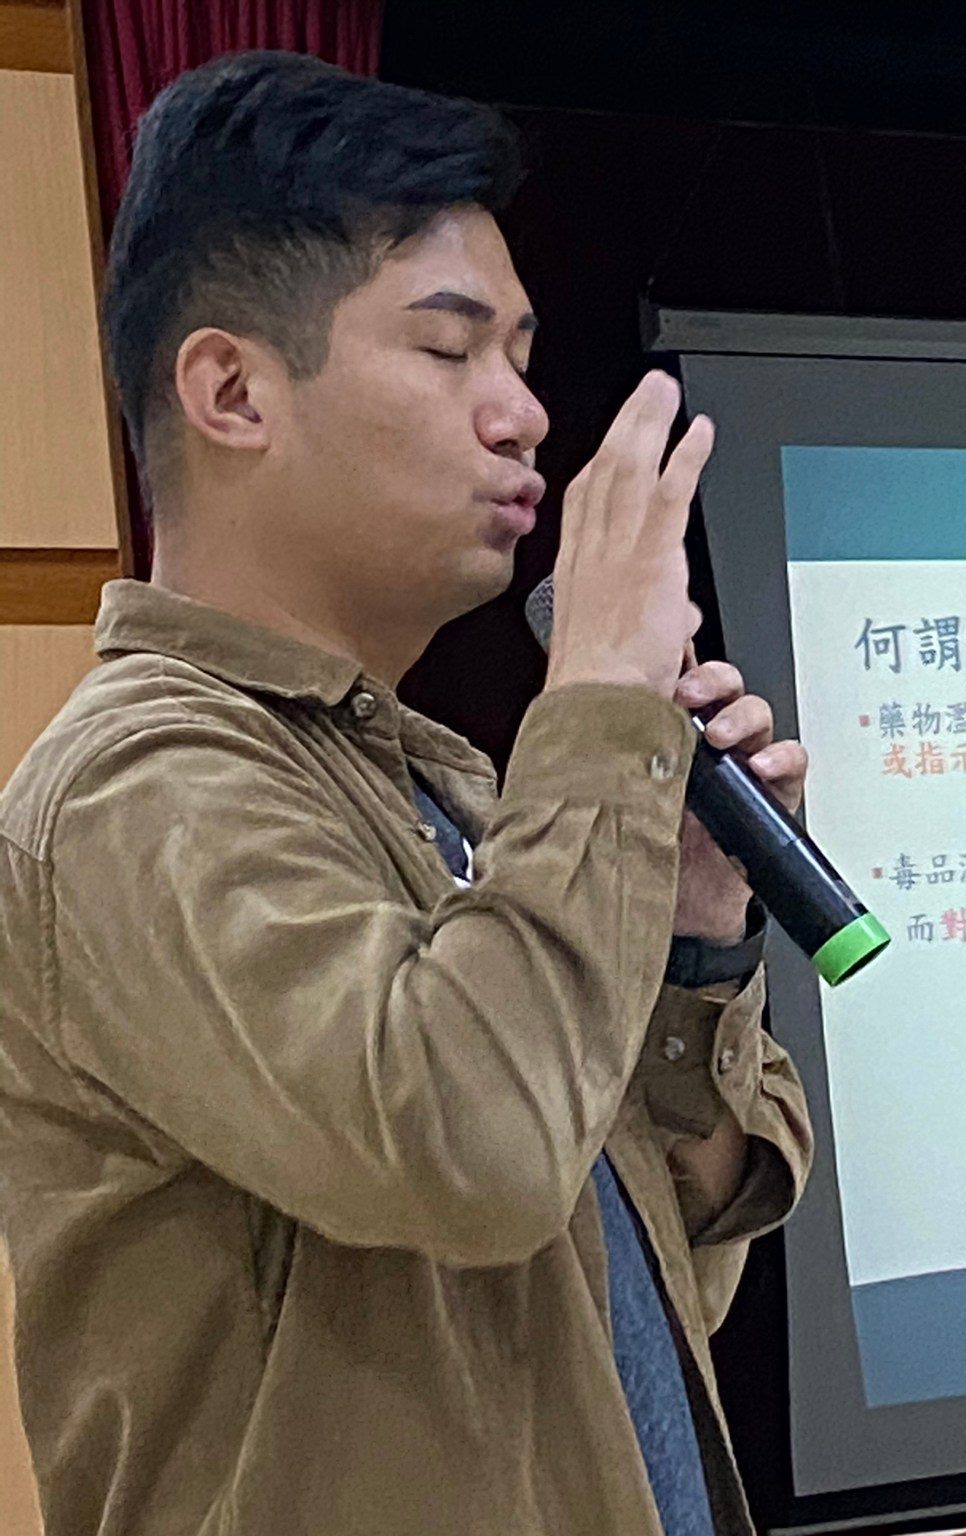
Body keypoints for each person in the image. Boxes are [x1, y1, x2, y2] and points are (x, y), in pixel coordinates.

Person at [0, 51, 811, 1536]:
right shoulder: (140, 785)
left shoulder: (445, 786)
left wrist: (697, 942)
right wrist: (599, 705)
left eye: (521, 355)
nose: (523, 415)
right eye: (449, 352)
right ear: (232, 391)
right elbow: (476, 1154)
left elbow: (636, 1287)